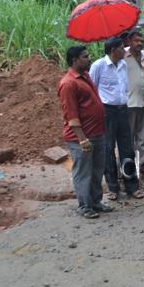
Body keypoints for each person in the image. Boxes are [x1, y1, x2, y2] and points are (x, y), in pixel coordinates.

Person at [58, 46, 113, 219]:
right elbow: (71, 115)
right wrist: (82, 139)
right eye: (85, 57)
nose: (89, 59)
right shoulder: (68, 83)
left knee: (97, 170)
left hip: (97, 133)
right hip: (81, 138)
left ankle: (95, 202)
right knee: (83, 172)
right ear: (74, 60)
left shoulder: (85, 76)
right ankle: (84, 206)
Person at [90, 37, 144, 201]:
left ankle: (132, 187)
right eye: (122, 48)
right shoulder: (98, 66)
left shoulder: (122, 65)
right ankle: (113, 188)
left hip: (123, 110)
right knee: (108, 149)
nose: (125, 50)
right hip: (107, 112)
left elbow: (125, 88)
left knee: (127, 149)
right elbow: (92, 90)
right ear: (113, 50)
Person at [124, 30, 144, 186]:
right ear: (129, 41)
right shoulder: (123, 56)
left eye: (141, 41)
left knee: (142, 137)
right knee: (128, 138)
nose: (139, 43)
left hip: (143, 103)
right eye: (136, 41)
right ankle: (128, 167)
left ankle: (142, 165)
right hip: (128, 104)